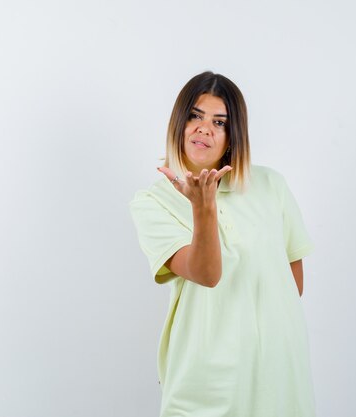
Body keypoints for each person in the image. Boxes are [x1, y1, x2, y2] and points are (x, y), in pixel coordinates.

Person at [129, 71, 317, 416]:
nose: (204, 129)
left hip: (277, 369)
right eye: (195, 116)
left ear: (233, 137)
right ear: (178, 123)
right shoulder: (153, 201)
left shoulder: (270, 185)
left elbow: (291, 283)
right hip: (207, 374)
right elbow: (206, 274)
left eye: (220, 122)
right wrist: (204, 209)